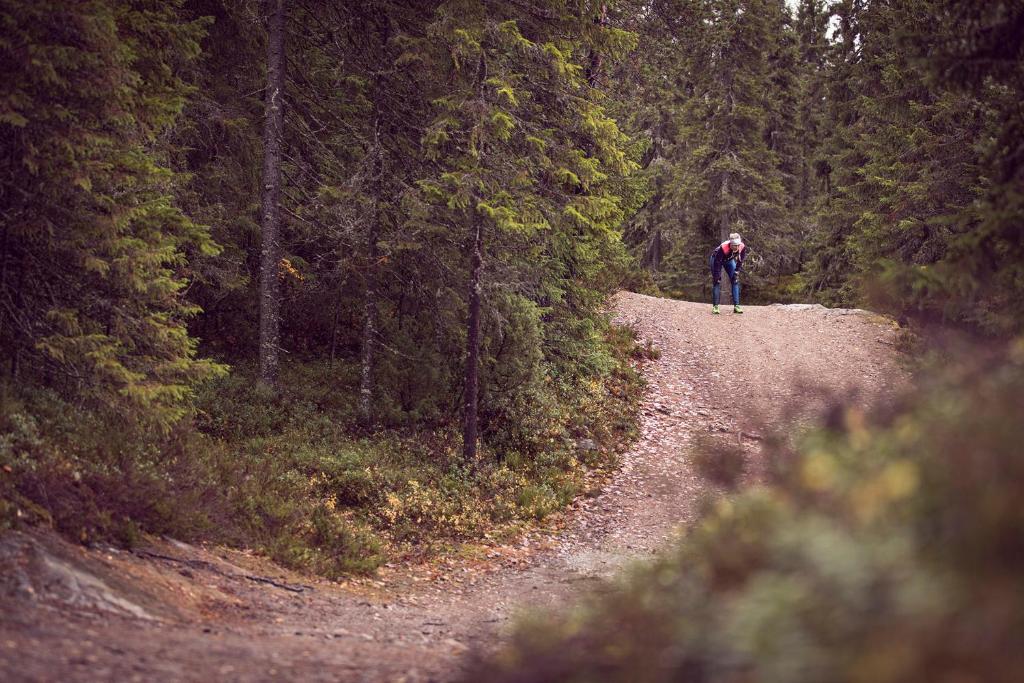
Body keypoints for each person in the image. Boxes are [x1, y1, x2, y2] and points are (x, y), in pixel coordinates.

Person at [708, 233, 746, 314]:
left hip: (729, 260)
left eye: (737, 245)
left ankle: (736, 306)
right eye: (733, 245)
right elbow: (717, 263)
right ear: (730, 244)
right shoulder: (724, 248)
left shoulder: (742, 247)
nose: (736, 247)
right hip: (716, 259)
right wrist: (717, 276)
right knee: (716, 281)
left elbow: (740, 261)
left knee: (735, 280)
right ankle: (715, 307)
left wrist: (736, 271)